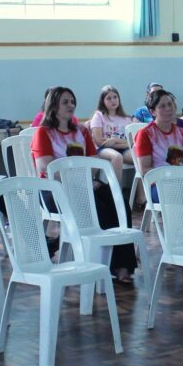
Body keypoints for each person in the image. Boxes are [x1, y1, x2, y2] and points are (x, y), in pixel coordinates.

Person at [31, 87, 137, 283]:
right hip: (54, 190)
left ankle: (124, 264)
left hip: (83, 185)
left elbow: (92, 162)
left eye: (72, 101)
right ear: (53, 105)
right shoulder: (43, 133)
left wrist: (87, 181)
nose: (71, 105)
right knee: (99, 208)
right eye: (65, 102)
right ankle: (104, 263)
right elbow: (46, 167)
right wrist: (78, 183)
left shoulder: (81, 131)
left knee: (119, 201)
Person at [134, 89, 183, 175]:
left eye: (170, 104)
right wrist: (170, 174)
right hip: (160, 183)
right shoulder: (145, 134)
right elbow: (144, 170)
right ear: (153, 112)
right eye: (162, 106)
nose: (168, 108)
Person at [88, 85, 135, 180]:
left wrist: (114, 141)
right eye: (108, 98)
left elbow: (132, 143)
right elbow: (99, 142)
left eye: (115, 97)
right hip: (102, 150)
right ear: (103, 101)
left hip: (123, 149)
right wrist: (121, 143)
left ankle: (141, 193)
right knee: (117, 157)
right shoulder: (99, 116)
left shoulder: (127, 119)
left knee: (138, 156)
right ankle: (116, 194)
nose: (113, 100)